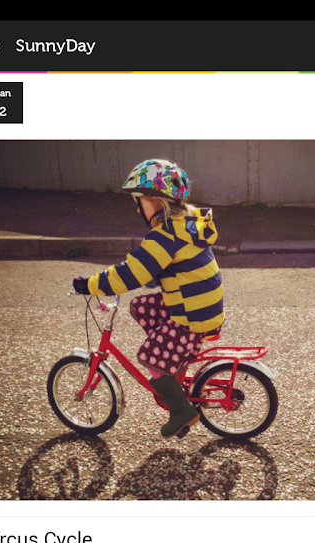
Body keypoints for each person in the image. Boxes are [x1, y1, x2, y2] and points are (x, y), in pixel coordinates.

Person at [72, 158, 225, 438]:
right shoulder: (188, 222)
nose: (137, 208)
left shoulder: (166, 236)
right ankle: (173, 359)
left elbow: (131, 273)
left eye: (139, 201)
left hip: (192, 315)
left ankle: (182, 412)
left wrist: (91, 284)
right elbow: (177, 264)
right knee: (141, 305)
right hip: (199, 304)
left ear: (155, 202)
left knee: (149, 356)